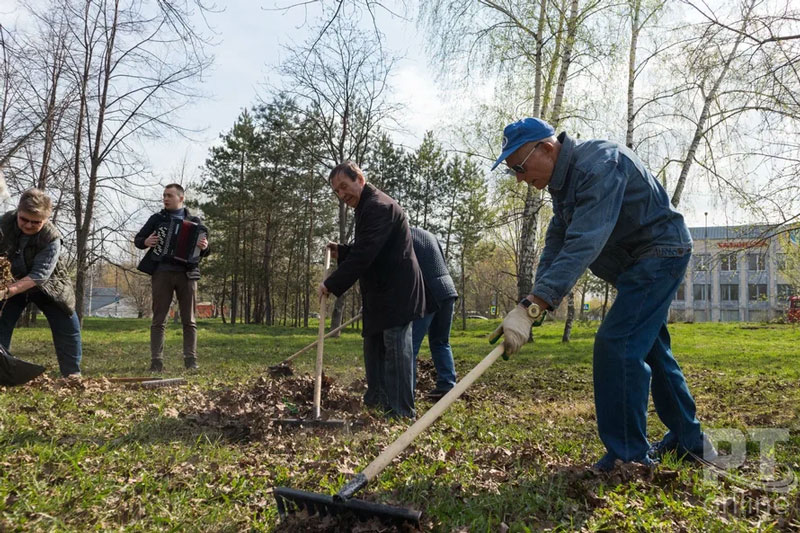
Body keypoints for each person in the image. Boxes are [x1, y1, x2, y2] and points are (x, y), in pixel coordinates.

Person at [493, 117, 713, 471]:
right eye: (513, 172)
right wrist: (530, 304)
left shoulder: (599, 165)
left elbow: (585, 241)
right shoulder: (564, 183)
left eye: (519, 167)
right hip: (637, 264)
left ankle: (628, 457)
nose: (519, 178)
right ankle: (691, 441)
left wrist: (536, 304)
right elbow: (556, 244)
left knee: (617, 344)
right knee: (652, 349)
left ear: (546, 148)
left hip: (660, 254)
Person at [320, 161, 426, 419]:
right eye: (337, 191)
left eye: (344, 186)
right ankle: (377, 402)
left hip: (397, 293)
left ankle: (401, 412)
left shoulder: (378, 206)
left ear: (360, 179)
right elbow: (369, 247)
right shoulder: (366, 207)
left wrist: (331, 283)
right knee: (374, 348)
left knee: (396, 352)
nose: (342, 194)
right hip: (380, 292)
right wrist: (342, 251)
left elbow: (365, 254)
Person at [0, 188, 82, 378]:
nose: (29, 225)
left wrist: (6, 292)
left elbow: (38, 276)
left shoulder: (52, 238)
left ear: (46, 218)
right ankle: (2, 373)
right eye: (24, 219)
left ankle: (72, 375)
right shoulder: (3, 224)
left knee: (67, 323)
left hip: (48, 285)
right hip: (11, 280)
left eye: (36, 222)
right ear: (18, 211)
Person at [135, 184, 209, 372]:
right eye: (164, 195)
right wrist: (146, 241)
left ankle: (191, 361)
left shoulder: (195, 221)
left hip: (187, 274)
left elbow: (204, 251)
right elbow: (138, 240)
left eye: (169, 195)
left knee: (189, 319)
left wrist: (205, 246)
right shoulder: (157, 219)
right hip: (162, 273)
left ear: (181, 198)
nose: (165, 199)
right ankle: (156, 361)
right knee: (159, 319)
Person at [410, 226, 458, 400]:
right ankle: (447, 385)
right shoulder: (428, 235)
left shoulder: (402, 237)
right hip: (448, 290)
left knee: (409, 346)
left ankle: (406, 392)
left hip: (428, 293)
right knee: (441, 341)